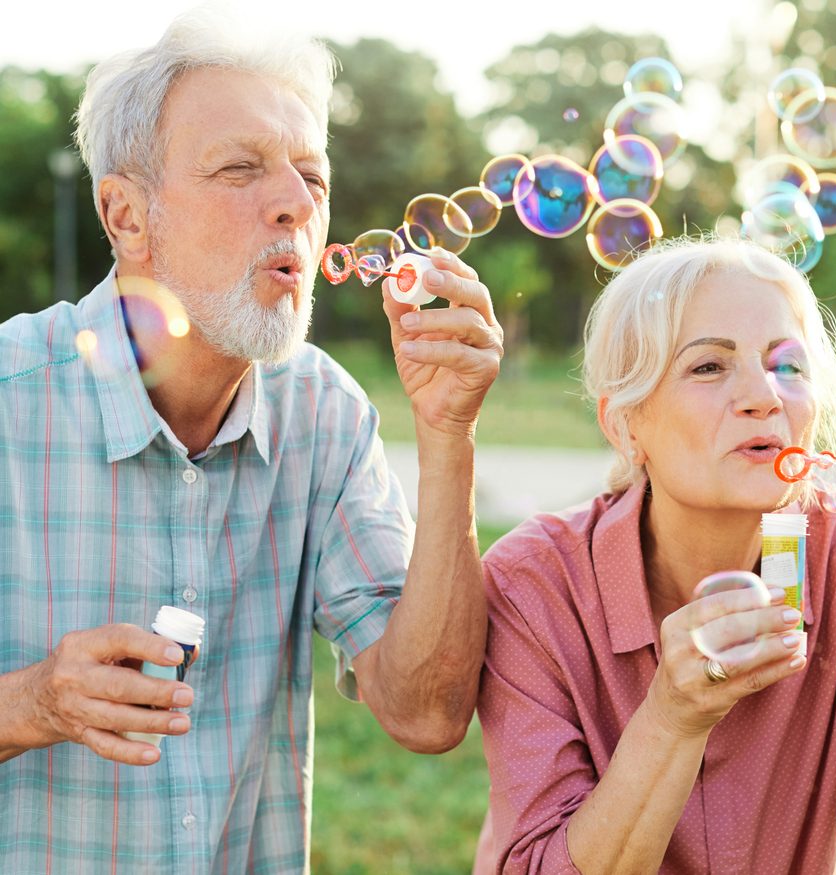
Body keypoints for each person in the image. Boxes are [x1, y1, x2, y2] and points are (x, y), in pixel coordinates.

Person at [0, 8, 502, 872]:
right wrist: (31, 704)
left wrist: (448, 433)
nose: (296, 206)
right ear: (125, 215)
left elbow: (426, 713)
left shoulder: (324, 413)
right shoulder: (11, 400)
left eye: (314, 176)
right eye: (241, 169)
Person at [474, 237, 836, 874]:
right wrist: (673, 717)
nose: (763, 395)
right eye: (709, 367)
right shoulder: (534, 584)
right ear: (626, 425)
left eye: (787, 365)